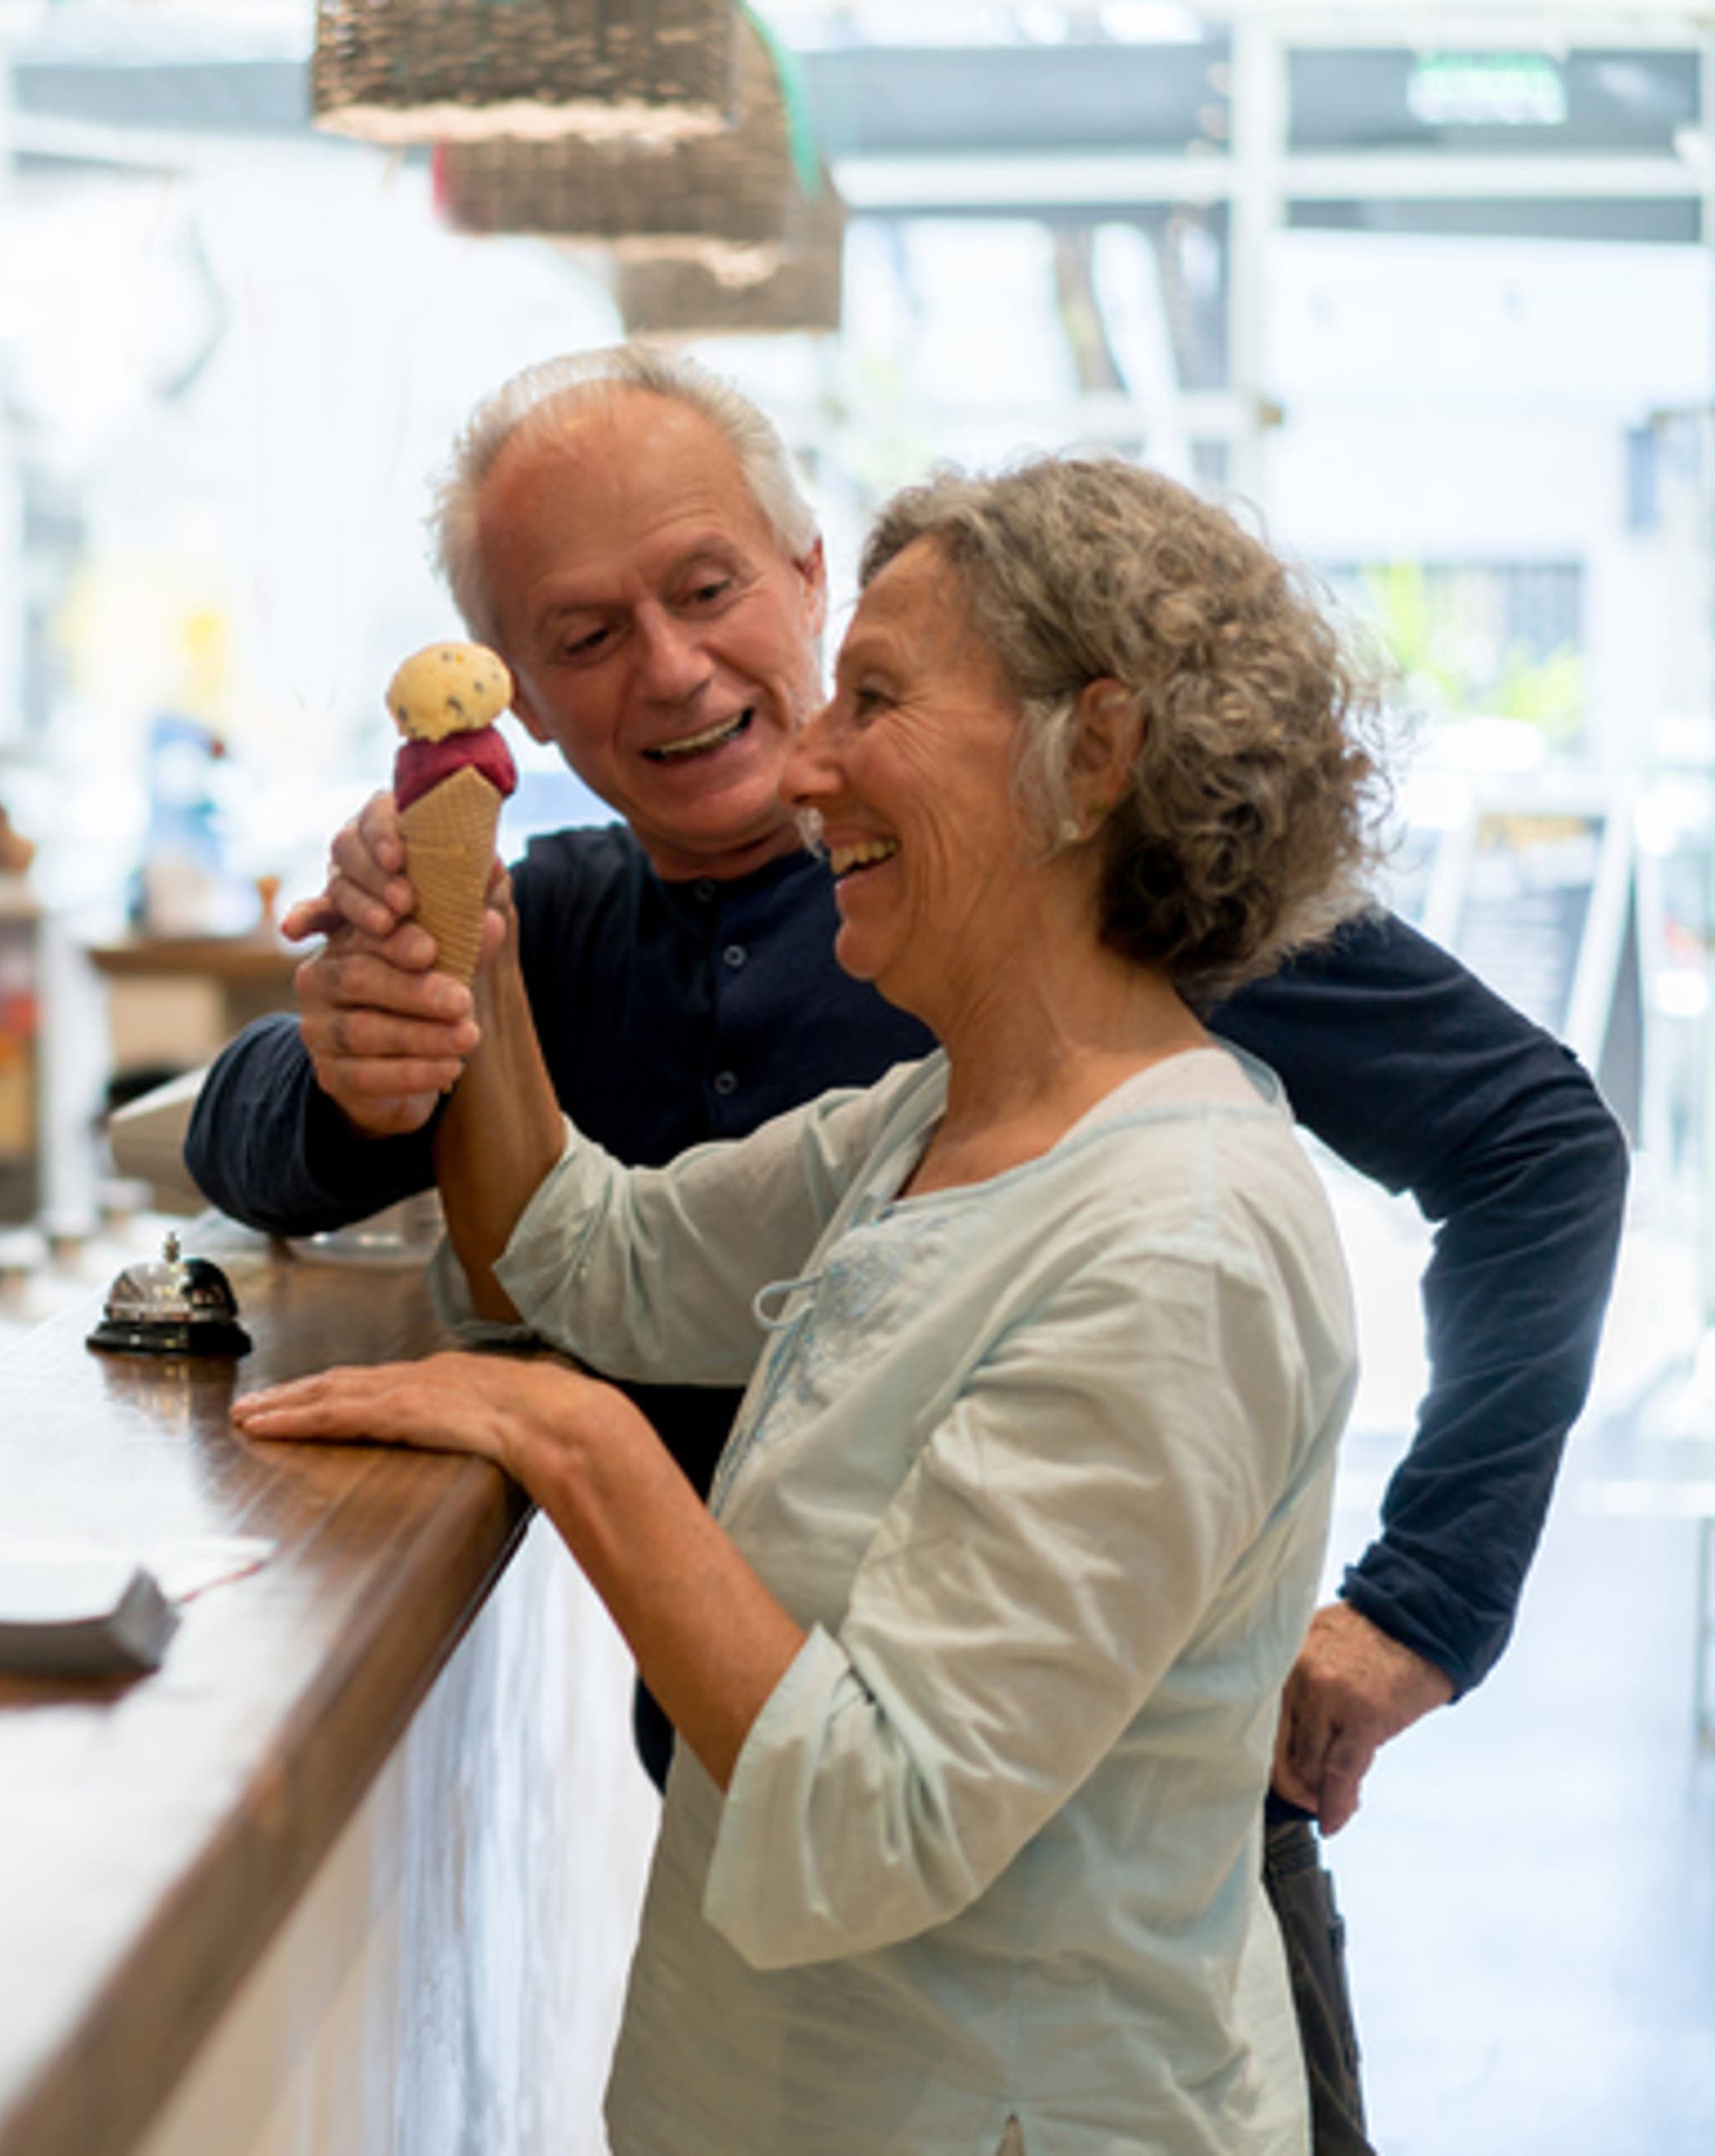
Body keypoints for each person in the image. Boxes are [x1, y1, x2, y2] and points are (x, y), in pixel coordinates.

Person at [186, 348, 1627, 2152]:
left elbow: (879, 1811)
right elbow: (579, 1248)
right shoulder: (907, 1109)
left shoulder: (1168, 1185)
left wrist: (1424, 1604)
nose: (796, 752)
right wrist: (428, 962)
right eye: (583, 633)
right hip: (812, 1987)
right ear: (529, 705)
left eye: (845, 679)